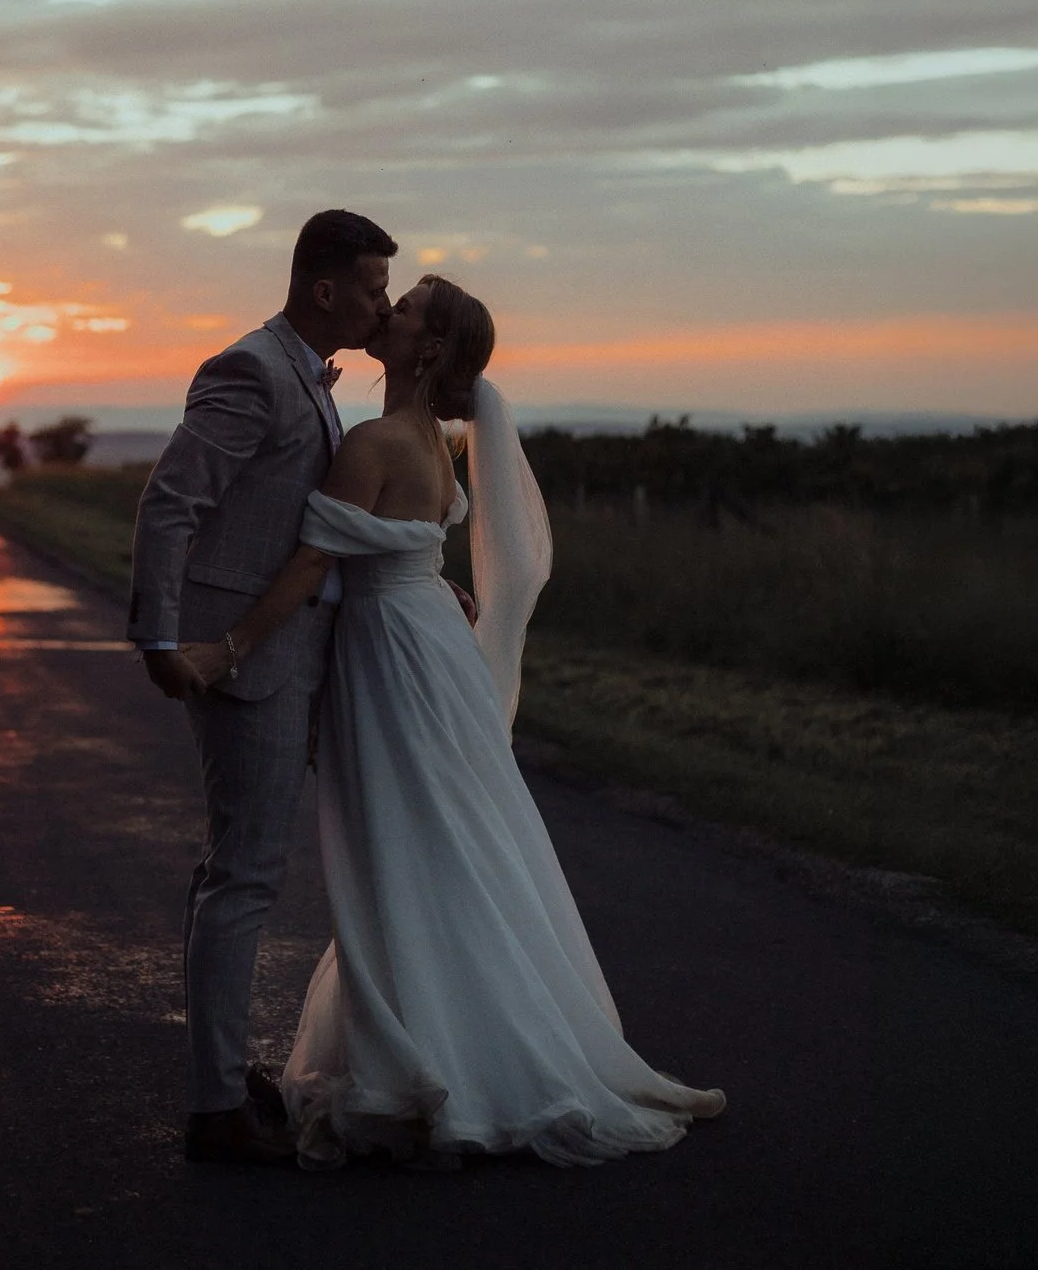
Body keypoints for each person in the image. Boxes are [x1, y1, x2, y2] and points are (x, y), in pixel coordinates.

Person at [176, 275, 725, 1168]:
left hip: (393, 658)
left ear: (427, 348)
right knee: (451, 839)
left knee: (399, 838)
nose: (384, 311)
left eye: (404, 308)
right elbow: (405, 549)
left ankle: (442, 1054)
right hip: (431, 645)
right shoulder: (435, 438)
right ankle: (470, 1035)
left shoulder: (377, 440)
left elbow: (315, 564)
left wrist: (226, 646)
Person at [129, 209, 400, 1165]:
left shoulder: (309, 377)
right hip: (246, 661)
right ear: (325, 289)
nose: (384, 302)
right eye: (372, 285)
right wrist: (164, 636)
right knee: (243, 873)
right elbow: (174, 500)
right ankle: (212, 1109)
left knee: (236, 869)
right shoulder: (251, 369)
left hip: (288, 652)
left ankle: (219, 1075)